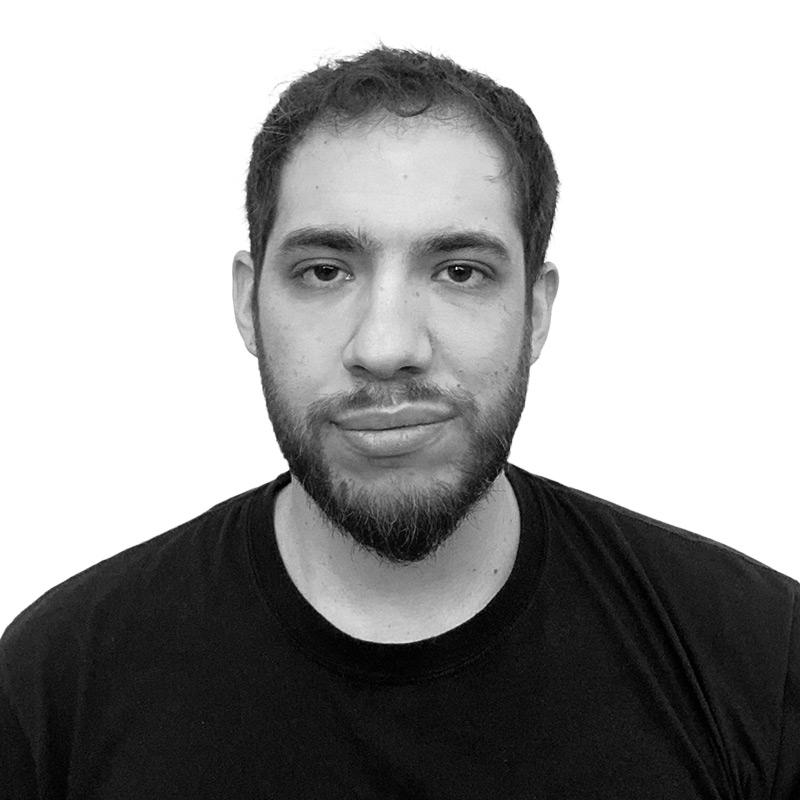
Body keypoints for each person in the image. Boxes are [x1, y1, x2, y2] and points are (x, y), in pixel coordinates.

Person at [1, 46, 797, 800]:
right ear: (248, 304)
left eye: (460, 271)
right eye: (325, 271)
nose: (385, 347)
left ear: (536, 312)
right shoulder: (55, 685)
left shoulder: (761, 661)